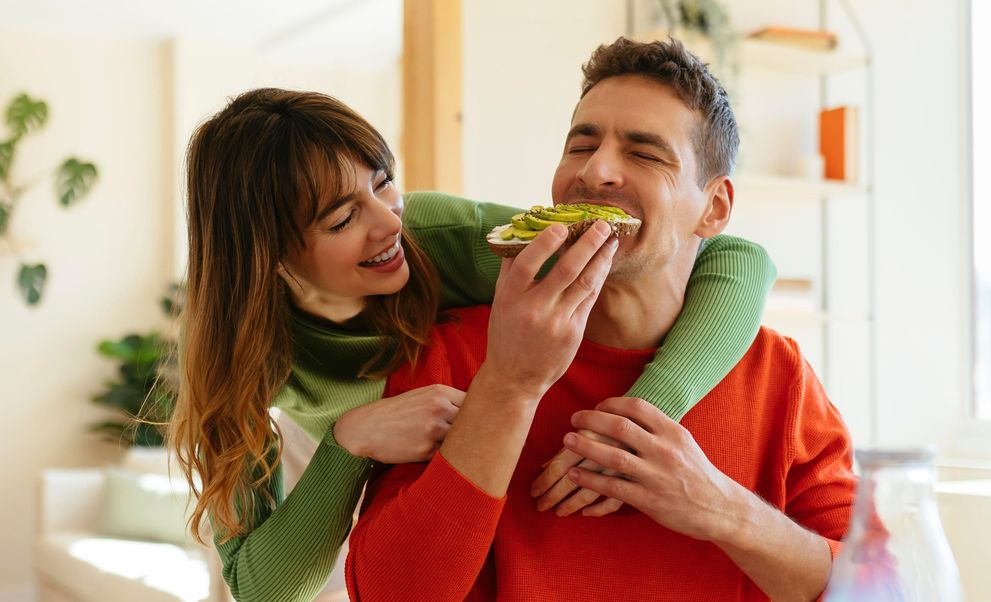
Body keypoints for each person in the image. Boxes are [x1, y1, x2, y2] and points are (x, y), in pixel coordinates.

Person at [168, 88, 777, 601]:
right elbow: (259, 587)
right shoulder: (236, 352)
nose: (388, 224)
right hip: (335, 466)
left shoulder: (438, 236)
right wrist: (349, 441)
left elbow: (735, 257)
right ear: (268, 256)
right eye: (341, 219)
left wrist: (640, 421)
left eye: (384, 186)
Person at [346, 38, 857, 602]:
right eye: (581, 145)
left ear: (714, 208)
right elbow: (390, 593)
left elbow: (873, 587)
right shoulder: (453, 351)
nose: (597, 171)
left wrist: (721, 508)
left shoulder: (779, 375)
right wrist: (509, 385)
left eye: (644, 153)